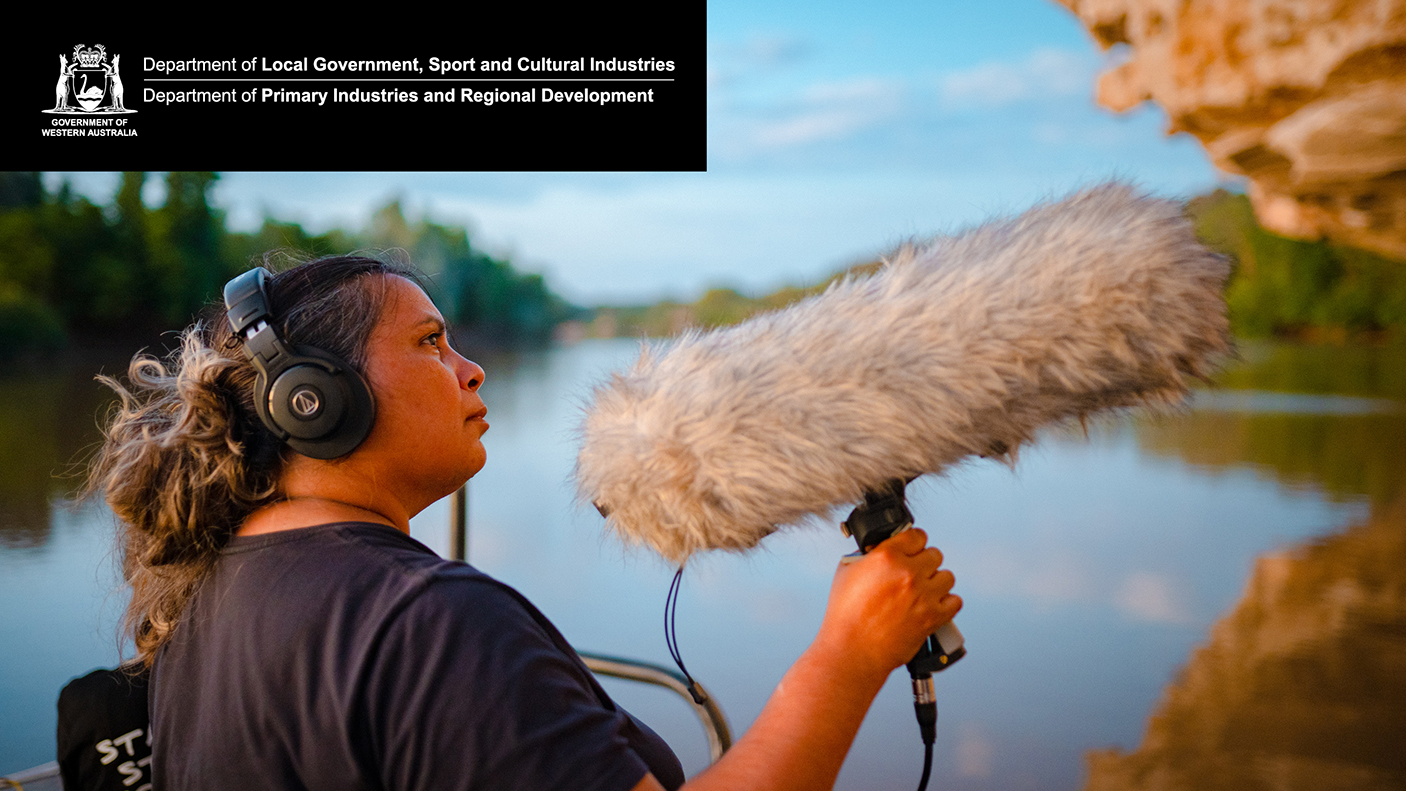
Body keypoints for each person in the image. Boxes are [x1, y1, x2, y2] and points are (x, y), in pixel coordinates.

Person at [88, 254, 961, 791]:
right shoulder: (426, 623)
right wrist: (846, 655)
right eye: (430, 342)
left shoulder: (206, 596)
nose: (469, 369)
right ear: (312, 399)